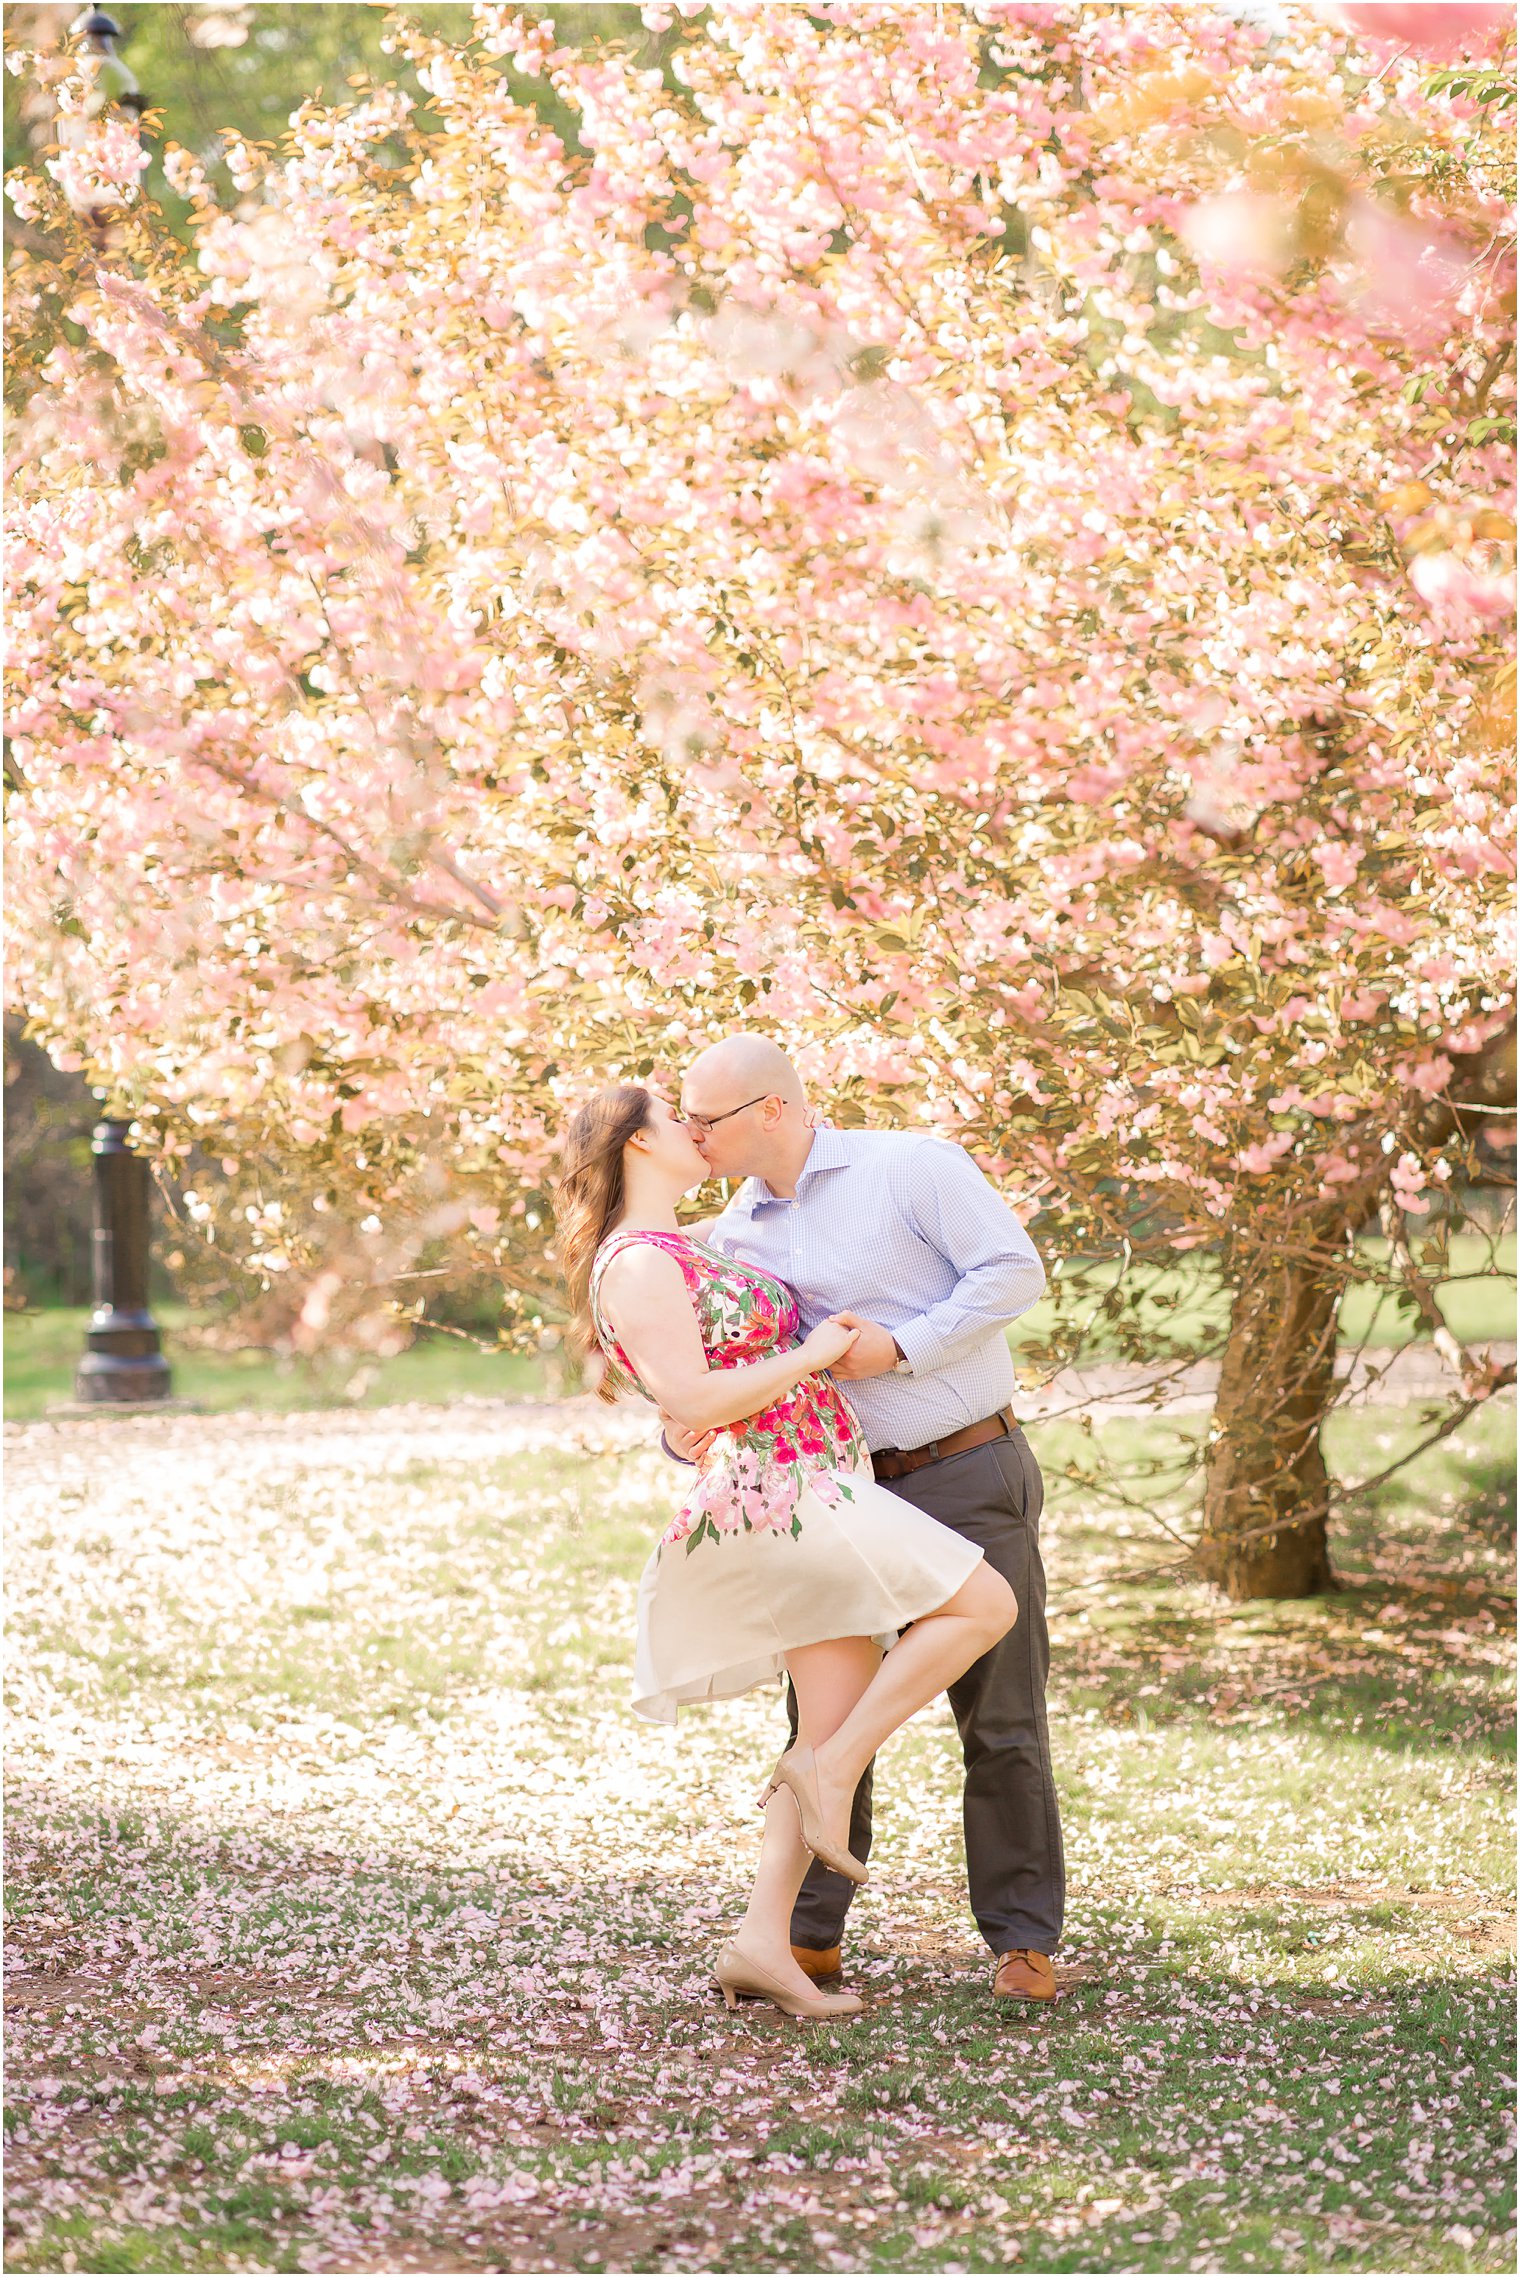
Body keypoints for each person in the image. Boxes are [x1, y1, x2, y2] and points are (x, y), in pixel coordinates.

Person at [556, 1082, 1019, 2022]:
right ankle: (833, 1764)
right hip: (787, 1490)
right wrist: (811, 1357)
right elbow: (692, 1399)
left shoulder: (691, 1244)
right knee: (983, 1606)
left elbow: (695, 1388)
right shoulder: (639, 1262)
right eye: (673, 1122)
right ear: (637, 1147)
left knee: (821, 1726)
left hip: (814, 1475)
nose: (695, 1131)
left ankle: (763, 1941)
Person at [669, 1035, 1063, 2006]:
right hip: (836, 1495)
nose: (690, 1137)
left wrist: (904, 1347)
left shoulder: (909, 1167)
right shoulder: (731, 1241)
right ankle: (803, 1937)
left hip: (966, 1463)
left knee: (1000, 1715)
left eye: (702, 1120)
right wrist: (691, 1432)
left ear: (771, 1108)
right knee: (826, 1712)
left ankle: (1020, 1940)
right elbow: (729, 1376)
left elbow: (1012, 1272)